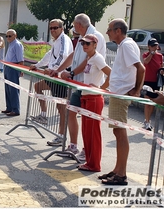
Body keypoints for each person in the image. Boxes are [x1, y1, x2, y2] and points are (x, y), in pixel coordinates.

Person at [49, 13, 106, 158]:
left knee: (89, 122)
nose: (74, 29)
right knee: (71, 112)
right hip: (78, 85)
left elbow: (89, 60)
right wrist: (59, 70)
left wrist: (72, 73)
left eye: (74, 26)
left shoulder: (94, 37)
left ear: (79, 25)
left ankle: (87, 151)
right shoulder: (83, 37)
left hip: (89, 87)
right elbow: (74, 55)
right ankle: (73, 146)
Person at [99, 18, 145, 185]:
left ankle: (121, 174)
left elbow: (141, 68)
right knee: (118, 132)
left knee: (120, 133)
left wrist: (137, 90)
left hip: (121, 94)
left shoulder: (126, 45)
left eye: (110, 29)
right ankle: (118, 170)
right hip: (118, 93)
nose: (108, 32)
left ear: (118, 31)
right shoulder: (124, 45)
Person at [68, 34, 111, 172]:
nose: (85, 45)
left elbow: (111, 73)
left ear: (94, 45)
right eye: (83, 43)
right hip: (86, 97)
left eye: (88, 43)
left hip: (94, 98)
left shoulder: (97, 58)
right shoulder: (90, 58)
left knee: (93, 133)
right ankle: (89, 162)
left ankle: (94, 164)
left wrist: (102, 88)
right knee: (86, 132)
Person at [29, 19, 73, 144]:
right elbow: (50, 55)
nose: (53, 30)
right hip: (53, 76)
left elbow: (63, 56)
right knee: (37, 86)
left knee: (61, 108)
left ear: (61, 28)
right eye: (51, 28)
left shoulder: (64, 39)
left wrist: (53, 70)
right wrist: (37, 65)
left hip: (59, 78)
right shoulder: (56, 41)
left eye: (55, 28)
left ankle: (61, 136)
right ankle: (43, 115)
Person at [142, 38, 164, 131]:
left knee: (153, 103)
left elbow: (161, 67)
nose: (154, 47)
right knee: (148, 103)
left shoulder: (160, 56)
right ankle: (147, 122)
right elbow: (146, 62)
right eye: (152, 46)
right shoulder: (145, 54)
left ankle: (147, 119)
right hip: (147, 81)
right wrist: (151, 53)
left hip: (156, 82)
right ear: (149, 47)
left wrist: (162, 71)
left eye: (155, 45)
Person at [2, 29, 24, 116]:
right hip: (7, 66)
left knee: (13, 89)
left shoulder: (17, 45)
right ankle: (9, 107)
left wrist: (21, 70)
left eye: (10, 36)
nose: (8, 38)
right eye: (7, 36)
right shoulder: (11, 44)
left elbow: (20, 59)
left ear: (15, 35)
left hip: (13, 67)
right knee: (8, 88)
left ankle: (15, 109)